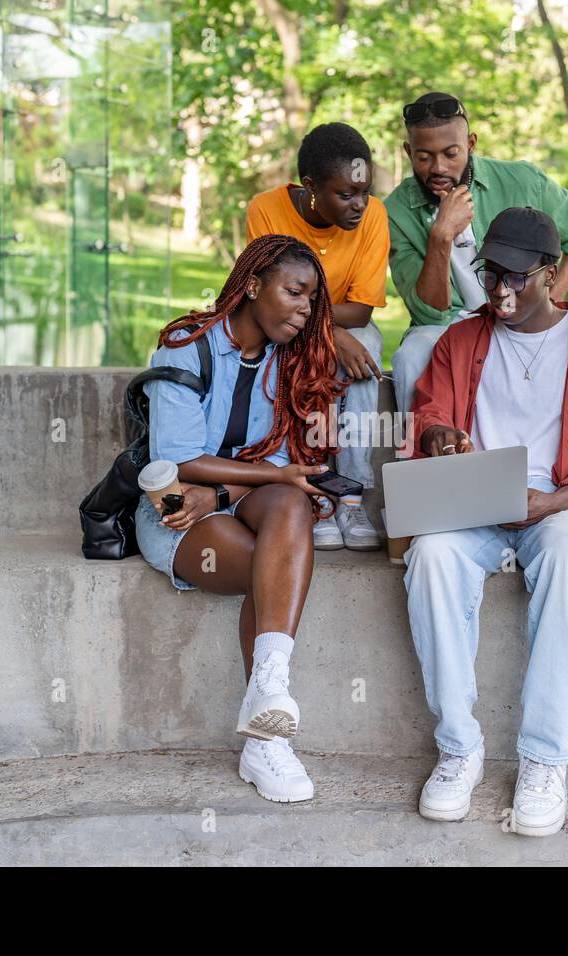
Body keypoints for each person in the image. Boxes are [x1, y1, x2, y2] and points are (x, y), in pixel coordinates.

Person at [402, 207, 568, 836]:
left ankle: (544, 759)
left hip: (554, 503)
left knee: (567, 554)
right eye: (492, 274)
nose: (500, 290)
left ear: (552, 274)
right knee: (430, 555)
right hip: (475, 499)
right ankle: (458, 748)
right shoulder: (461, 340)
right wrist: (438, 437)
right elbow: (428, 417)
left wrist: (552, 502)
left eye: (517, 278)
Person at [136, 234, 345, 804]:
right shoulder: (187, 347)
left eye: (311, 300)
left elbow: (278, 462)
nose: (305, 309)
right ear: (252, 285)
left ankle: (267, 693)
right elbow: (177, 458)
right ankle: (265, 738)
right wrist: (264, 480)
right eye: (294, 293)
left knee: (293, 502)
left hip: (234, 499)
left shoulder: (286, 361)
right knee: (269, 568)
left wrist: (230, 490)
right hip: (176, 514)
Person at [386, 92, 568, 422]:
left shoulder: (523, 182)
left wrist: (544, 303)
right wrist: (441, 236)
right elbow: (429, 311)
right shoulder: (395, 212)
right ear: (408, 152)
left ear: (471, 143)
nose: (439, 167)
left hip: (517, 316)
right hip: (445, 325)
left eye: (451, 153)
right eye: (424, 157)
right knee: (411, 357)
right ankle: (416, 467)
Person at [247, 122, 388, 551]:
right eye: (345, 195)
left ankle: (350, 494)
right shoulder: (266, 210)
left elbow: (361, 310)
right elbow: (270, 303)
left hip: (338, 321)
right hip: (281, 326)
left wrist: (327, 329)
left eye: (364, 192)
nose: (360, 205)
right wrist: (330, 332)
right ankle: (314, 490)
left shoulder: (375, 216)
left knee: (369, 344)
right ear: (311, 186)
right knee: (312, 345)